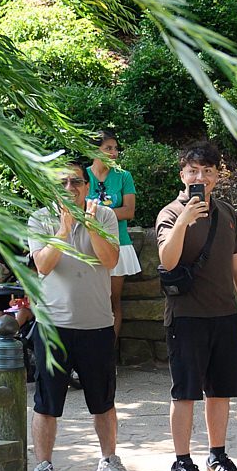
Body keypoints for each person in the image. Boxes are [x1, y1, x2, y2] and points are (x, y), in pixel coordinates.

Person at [156, 141, 237, 471]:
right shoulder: (170, 213)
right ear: (182, 175)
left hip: (224, 315)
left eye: (207, 171)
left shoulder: (227, 213)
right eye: (193, 171)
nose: (199, 177)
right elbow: (167, 261)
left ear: (217, 176)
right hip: (186, 317)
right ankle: (181, 462)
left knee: (220, 391)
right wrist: (185, 220)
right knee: (185, 392)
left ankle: (217, 455)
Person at [28, 159, 134, 471]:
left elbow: (110, 260)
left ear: (87, 186)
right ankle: (43, 469)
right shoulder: (39, 219)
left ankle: (108, 461)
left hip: (97, 324)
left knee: (103, 401)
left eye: (76, 182)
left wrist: (88, 225)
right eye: (62, 184)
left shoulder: (103, 216)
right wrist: (63, 229)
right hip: (53, 325)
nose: (70, 189)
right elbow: (43, 265)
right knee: (47, 403)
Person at [86, 130, 140, 343]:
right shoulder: (82, 176)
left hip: (119, 243)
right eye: (108, 148)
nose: (114, 153)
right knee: (89, 300)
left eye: (116, 148)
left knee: (111, 300)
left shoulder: (124, 176)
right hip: (87, 245)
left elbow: (129, 211)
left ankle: (108, 351)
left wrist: (96, 214)